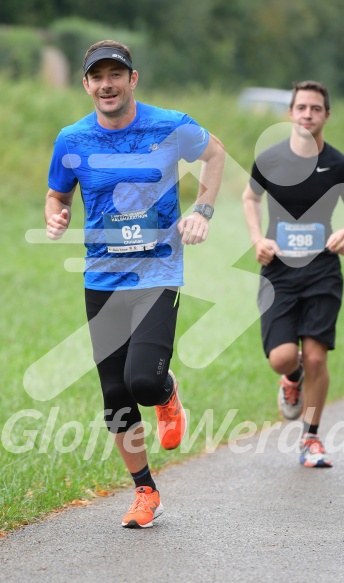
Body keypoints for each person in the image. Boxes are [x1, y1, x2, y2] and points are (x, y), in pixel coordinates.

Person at [45, 40, 225, 527]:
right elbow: (56, 193)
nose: (107, 84)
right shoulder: (72, 138)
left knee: (142, 380)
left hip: (157, 272)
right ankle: (145, 491)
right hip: (102, 277)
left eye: (115, 75)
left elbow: (216, 155)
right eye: (97, 76)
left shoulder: (169, 125)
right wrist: (56, 216)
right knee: (114, 395)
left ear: (132, 79)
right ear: (86, 84)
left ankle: (166, 393)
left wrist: (202, 210)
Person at [242, 80, 344, 467]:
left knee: (316, 358)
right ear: (291, 113)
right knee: (283, 358)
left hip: (322, 271)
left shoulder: (338, 164)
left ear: (326, 115)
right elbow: (251, 197)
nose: (308, 115)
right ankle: (291, 378)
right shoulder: (270, 159)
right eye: (302, 108)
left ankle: (311, 440)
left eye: (316, 109)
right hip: (278, 270)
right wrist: (256, 239)